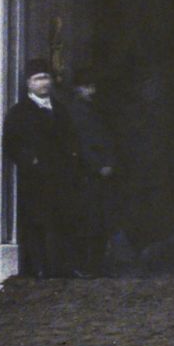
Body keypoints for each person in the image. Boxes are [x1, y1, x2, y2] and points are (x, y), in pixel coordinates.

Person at [4, 59, 79, 280]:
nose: (43, 83)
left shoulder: (61, 110)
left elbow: (72, 139)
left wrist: (71, 161)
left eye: (46, 78)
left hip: (62, 177)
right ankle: (38, 269)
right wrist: (31, 161)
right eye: (37, 79)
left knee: (63, 221)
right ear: (28, 83)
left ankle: (61, 267)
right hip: (36, 179)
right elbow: (11, 145)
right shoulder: (19, 113)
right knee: (36, 222)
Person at [64, 71, 118, 277]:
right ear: (77, 88)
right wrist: (99, 166)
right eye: (87, 87)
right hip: (86, 174)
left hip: (96, 173)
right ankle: (86, 265)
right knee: (89, 220)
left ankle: (94, 264)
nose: (91, 91)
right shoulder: (77, 111)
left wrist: (109, 162)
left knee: (98, 219)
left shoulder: (90, 109)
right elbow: (82, 145)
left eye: (92, 86)